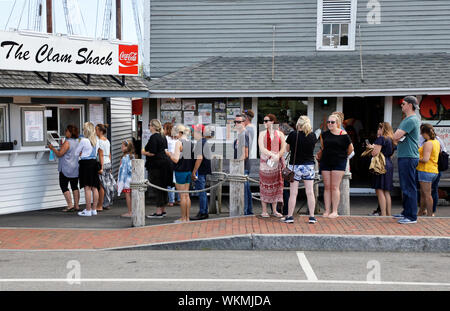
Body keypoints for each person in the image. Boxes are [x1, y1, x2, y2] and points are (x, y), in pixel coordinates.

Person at [317, 114, 354, 218]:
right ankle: (327, 210)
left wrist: (343, 156)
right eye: (328, 122)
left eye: (332, 122)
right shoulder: (324, 134)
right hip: (326, 161)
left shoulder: (344, 134)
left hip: (339, 162)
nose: (329, 124)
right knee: (327, 187)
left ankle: (335, 211)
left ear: (337, 123)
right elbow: (323, 147)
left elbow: (351, 149)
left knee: (334, 186)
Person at [283, 116, 318, 224]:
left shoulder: (293, 135)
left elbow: (287, 149)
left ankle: (289, 216)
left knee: (293, 193)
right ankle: (312, 217)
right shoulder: (312, 135)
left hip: (296, 166)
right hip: (309, 166)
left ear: (298, 124)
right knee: (310, 192)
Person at [393, 96, 421, 224]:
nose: (402, 106)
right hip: (406, 156)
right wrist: (396, 138)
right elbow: (396, 138)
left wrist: (396, 137)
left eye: (403, 104)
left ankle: (411, 216)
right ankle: (406, 212)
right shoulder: (409, 119)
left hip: (409, 157)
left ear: (410, 105)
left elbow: (396, 136)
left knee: (409, 186)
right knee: (405, 186)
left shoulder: (411, 119)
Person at [143, 119, 174, 219]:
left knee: (157, 188)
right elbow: (164, 150)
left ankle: (158, 211)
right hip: (165, 164)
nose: (149, 127)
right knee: (163, 187)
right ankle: (163, 209)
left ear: (152, 126)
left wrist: (144, 152)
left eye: (149, 125)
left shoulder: (153, 137)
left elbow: (152, 152)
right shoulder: (163, 137)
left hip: (156, 166)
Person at [258, 114, 286, 218]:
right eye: (264, 121)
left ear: (272, 122)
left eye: (266, 121)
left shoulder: (280, 134)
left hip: (276, 162)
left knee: (276, 185)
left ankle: (274, 210)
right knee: (264, 185)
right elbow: (261, 147)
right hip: (265, 162)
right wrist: (272, 154)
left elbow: (283, 147)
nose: (264, 123)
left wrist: (277, 155)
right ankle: (264, 210)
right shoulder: (262, 134)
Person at [48, 125, 80, 212]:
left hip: (66, 167)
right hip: (75, 166)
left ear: (70, 132)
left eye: (66, 131)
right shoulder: (78, 141)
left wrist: (52, 148)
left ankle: (70, 205)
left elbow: (59, 154)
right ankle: (77, 205)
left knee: (63, 185)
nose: (65, 133)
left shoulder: (67, 142)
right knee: (74, 186)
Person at [166, 124, 193, 223]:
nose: (175, 135)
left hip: (180, 171)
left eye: (176, 133)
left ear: (180, 133)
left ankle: (183, 218)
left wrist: (169, 154)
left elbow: (176, 159)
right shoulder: (190, 142)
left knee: (182, 196)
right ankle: (187, 217)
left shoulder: (179, 142)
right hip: (188, 170)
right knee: (187, 195)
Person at [368, 122, 395, 216]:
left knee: (379, 190)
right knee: (386, 191)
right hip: (388, 163)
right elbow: (392, 154)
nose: (378, 130)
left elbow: (375, 153)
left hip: (380, 164)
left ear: (382, 129)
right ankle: (388, 214)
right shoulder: (392, 139)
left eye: (379, 128)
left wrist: (371, 147)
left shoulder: (381, 139)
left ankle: (383, 214)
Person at [75, 122, 100, 217]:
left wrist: (81, 153)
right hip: (94, 163)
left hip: (85, 164)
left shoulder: (84, 140)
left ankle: (88, 210)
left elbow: (76, 153)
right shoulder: (96, 140)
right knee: (94, 187)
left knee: (87, 187)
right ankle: (94, 209)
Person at [416, 124, 440, 217]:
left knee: (427, 195)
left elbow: (425, 159)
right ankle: (421, 212)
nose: (421, 135)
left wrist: (415, 158)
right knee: (423, 194)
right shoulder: (436, 142)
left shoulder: (428, 143)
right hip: (433, 170)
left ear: (425, 132)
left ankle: (430, 215)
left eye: (421, 132)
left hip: (426, 170)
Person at [191, 124, 212, 220]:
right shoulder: (203, 142)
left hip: (200, 170)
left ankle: (203, 212)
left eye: (194, 131)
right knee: (201, 191)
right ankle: (203, 211)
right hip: (203, 170)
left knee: (201, 191)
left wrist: (194, 171)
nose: (192, 133)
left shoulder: (200, 143)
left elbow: (199, 158)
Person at [233, 114, 252, 215]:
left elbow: (245, 154)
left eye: (239, 122)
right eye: (235, 122)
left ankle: (245, 211)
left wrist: (236, 164)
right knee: (246, 190)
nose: (236, 124)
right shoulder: (239, 134)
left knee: (244, 191)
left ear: (244, 123)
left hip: (243, 167)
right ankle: (248, 211)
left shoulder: (244, 134)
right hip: (241, 166)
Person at [96, 124, 115, 211]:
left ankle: (100, 205)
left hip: (102, 162)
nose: (95, 132)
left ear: (100, 131)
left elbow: (100, 154)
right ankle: (106, 203)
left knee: (101, 185)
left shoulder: (99, 141)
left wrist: (101, 167)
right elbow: (109, 154)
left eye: (96, 130)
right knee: (107, 184)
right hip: (108, 162)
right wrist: (110, 165)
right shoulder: (107, 140)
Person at [163, 122, 181, 207]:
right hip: (177, 159)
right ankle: (179, 199)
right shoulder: (177, 139)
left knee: (171, 180)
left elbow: (164, 150)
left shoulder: (166, 138)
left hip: (169, 160)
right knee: (177, 180)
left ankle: (171, 200)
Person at [243, 110, 256, 215]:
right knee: (246, 187)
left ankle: (247, 210)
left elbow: (246, 150)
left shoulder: (247, 129)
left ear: (246, 118)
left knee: (245, 187)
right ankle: (248, 210)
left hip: (245, 161)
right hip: (248, 160)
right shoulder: (251, 128)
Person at [117, 140, 135, 218]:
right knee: (133, 195)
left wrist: (120, 182)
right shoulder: (133, 156)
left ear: (127, 148)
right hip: (133, 178)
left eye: (123, 146)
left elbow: (123, 170)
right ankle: (133, 211)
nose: (122, 147)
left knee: (127, 195)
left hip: (126, 180)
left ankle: (130, 212)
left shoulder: (124, 158)